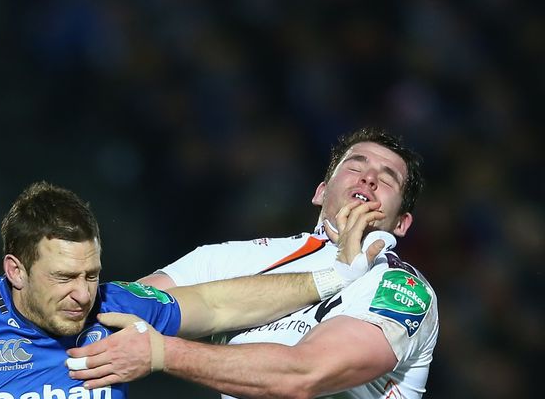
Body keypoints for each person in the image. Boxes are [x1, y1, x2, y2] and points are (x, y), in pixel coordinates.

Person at [0, 181, 382, 399]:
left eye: (90, 274)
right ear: (16, 270)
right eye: (64, 278)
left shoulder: (113, 309)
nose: (82, 294)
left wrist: (333, 276)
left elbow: (213, 302)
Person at [67, 127, 439, 399]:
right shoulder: (231, 258)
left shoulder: (401, 288)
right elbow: (116, 310)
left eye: (387, 179)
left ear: (402, 223)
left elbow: (304, 375)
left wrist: (162, 352)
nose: (370, 178)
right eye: (356, 165)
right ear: (321, 191)